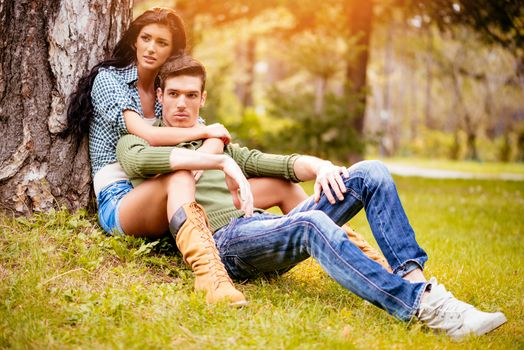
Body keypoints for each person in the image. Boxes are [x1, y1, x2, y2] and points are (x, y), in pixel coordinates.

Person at [116, 54, 507, 341]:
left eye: (191, 95)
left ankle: (419, 283)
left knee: (371, 172)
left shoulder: (217, 141)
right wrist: (215, 159)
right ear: (161, 97)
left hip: (260, 228)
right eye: (174, 95)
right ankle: (421, 307)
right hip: (226, 245)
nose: (182, 104)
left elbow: (278, 163)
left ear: (203, 100)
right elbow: (139, 163)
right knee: (312, 222)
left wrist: (320, 166)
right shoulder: (138, 141)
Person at [64, 7, 389, 305]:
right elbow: (150, 136)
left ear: (172, 51)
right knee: (179, 176)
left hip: (173, 184)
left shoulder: (171, 88)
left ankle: (374, 263)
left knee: (280, 186)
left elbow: (212, 139)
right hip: (125, 192)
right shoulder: (111, 81)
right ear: (134, 40)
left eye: (161, 42)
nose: (151, 48)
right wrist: (213, 147)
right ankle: (209, 276)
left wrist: (219, 149)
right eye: (145, 38)